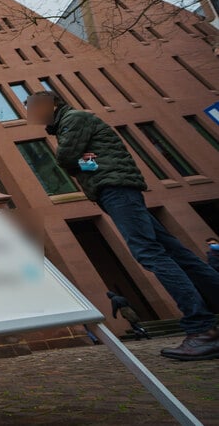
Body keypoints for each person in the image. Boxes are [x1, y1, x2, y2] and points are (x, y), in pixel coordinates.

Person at [25, 90, 219, 361]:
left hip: (115, 189)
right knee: (174, 251)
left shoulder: (74, 119)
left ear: (53, 103)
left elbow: (65, 158)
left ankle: (202, 329)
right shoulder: (69, 124)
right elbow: (82, 163)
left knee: (148, 252)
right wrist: (85, 162)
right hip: (114, 188)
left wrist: (81, 162)